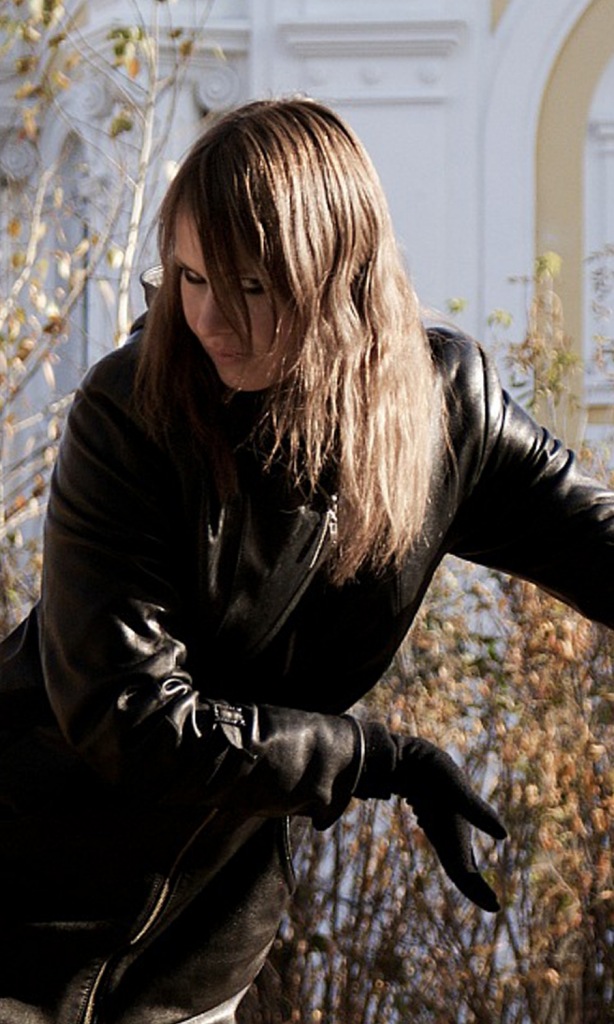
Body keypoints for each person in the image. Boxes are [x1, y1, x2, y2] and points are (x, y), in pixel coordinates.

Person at [0, 96, 612, 1024]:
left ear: (343, 279)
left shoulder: (443, 410)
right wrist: (373, 757)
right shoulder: (131, 413)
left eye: (251, 287)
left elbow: (598, 543)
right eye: (190, 276)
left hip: (198, 959)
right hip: (22, 907)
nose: (210, 319)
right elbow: (129, 721)